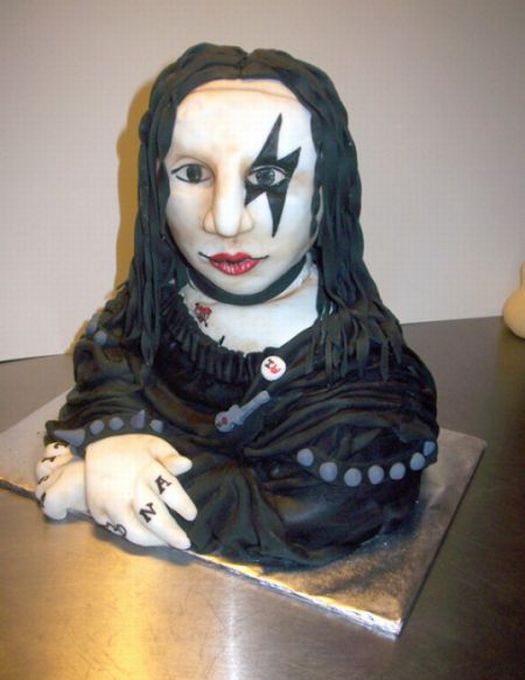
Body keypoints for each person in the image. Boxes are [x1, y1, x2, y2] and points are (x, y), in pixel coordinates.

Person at [35, 44, 438, 568]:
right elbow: (106, 379)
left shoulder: (362, 371)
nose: (224, 221)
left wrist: (92, 484)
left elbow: (318, 507)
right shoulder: (151, 314)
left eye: (268, 178)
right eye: (192, 174)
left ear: (326, 192)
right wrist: (116, 439)